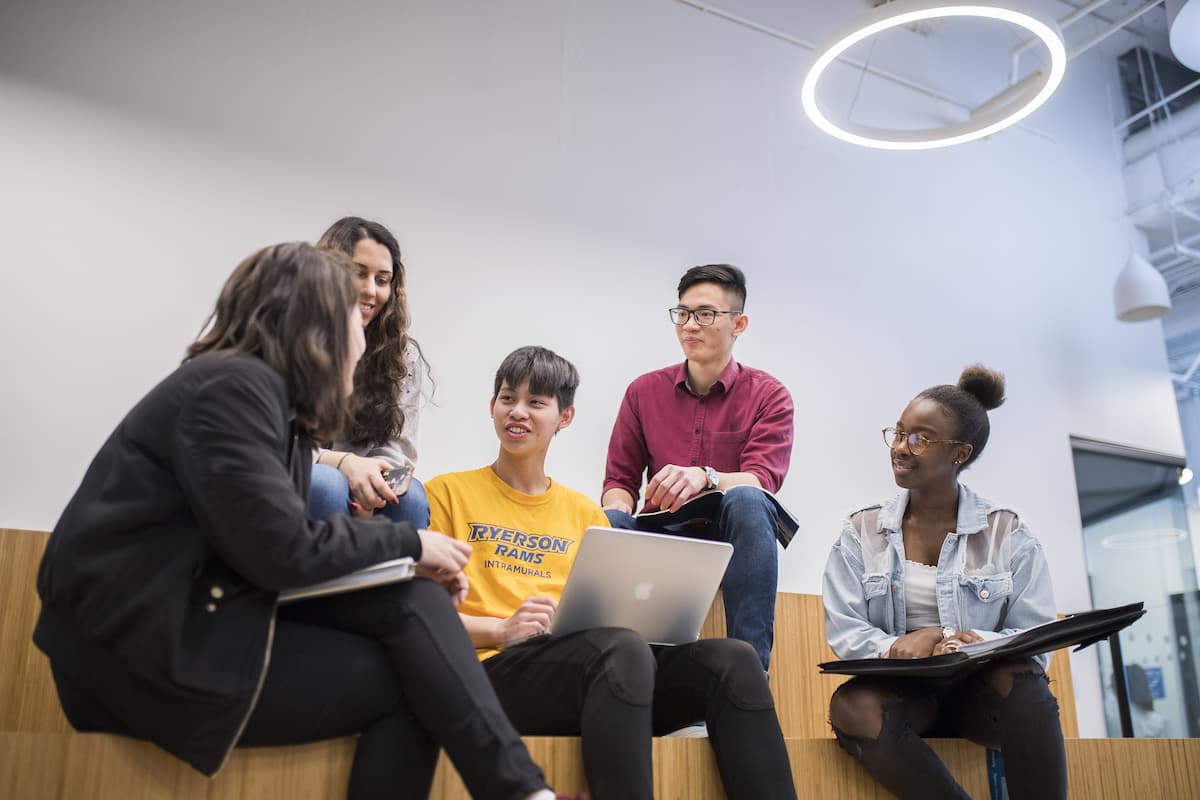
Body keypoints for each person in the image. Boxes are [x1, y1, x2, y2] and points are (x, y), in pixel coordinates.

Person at [33, 243, 568, 800]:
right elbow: (279, 550)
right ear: (321, 329)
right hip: (136, 655)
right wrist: (408, 543)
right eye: (356, 321)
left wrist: (405, 563)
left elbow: (274, 551)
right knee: (416, 677)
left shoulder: (261, 401)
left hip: (193, 620)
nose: (365, 341)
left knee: (416, 604)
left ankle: (523, 793)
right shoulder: (233, 390)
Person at [426, 345, 797, 800]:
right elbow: (422, 620)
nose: (517, 412)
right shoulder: (445, 493)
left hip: (596, 676)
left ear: (565, 417)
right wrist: (503, 629)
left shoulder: (586, 514)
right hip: (490, 674)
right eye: (507, 399)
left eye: (536, 402)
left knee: (732, 659)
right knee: (619, 649)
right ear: (492, 407)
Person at [822, 365, 1067, 800]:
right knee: (851, 706)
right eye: (897, 433)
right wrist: (899, 647)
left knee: (1024, 679)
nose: (901, 447)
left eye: (919, 439)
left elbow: (1034, 638)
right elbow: (845, 629)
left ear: (959, 454)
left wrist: (950, 637)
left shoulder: (1007, 532)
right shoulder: (860, 531)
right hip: (906, 697)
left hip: (983, 697)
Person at [601, 264, 794, 671]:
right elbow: (620, 481)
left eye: (705, 314)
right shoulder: (643, 391)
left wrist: (706, 476)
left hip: (728, 533)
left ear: (738, 323)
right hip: (661, 528)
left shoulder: (769, 394)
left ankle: (750, 671)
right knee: (607, 521)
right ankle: (605, 671)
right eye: (683, 313)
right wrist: (613, 515)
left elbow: (763, 479)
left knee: (747, 498)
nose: (690, 325)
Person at [309, 216, 431, 527]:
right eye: (358, 274)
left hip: (364, 478)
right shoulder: (291, 341)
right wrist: (344, 465)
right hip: (300, 471)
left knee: (411, 497)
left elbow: (400, 451)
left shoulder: (402, 357)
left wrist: (377, 490)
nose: (370, 291)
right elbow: (276, 445)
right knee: (327, 484)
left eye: (382, 279)